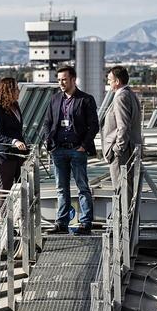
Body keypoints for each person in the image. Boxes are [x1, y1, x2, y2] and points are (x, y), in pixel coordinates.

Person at [42, 66, 99, 235]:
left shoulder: (86, 99)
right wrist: (48, 141)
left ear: (73, 80)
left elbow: (94, 125)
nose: (61, 83)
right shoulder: (54, 99)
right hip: (58, 150)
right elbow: (47, 122)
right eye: (59, 79)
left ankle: (85, 223)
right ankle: (61, 223)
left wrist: (84, 145)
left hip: (77, 149)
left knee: (82, 187)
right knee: (61, 188)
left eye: (64, 79)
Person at [102, 65, 142, 190]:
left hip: (122, 153)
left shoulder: (121, 97)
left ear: (117, 81)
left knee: (121, 189)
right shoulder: (130, 93)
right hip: (130, 149)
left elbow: (123, 126)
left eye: (110, 80)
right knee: (128, 188)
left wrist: (117, 149)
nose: (108, 83)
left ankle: (122, 211)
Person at [0, 77, 27, 207]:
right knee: (6, 188)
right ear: (8, 90)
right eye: (16, 88)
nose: (18, 91)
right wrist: (14, 141)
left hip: (19, 154)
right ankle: (5, 221)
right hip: (5, 155)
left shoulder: (15, 106)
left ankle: (19, 218)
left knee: (22, 187)